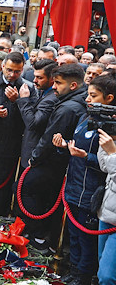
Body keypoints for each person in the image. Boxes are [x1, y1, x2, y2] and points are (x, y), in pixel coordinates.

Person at [54, 74, 115, 285]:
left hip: (92, 190)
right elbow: (78, 143)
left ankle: (83, 275)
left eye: (93, 95)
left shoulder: (110, 127)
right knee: (74, 233)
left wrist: (84, 156)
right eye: (87, 94)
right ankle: (73, 269)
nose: (87, 99)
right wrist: (65, 146)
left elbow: (108, 164)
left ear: (108, 98)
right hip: (74, 184)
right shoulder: (86, 116)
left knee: (87, 237)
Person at [24, 64, 88, 252]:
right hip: (63, 160)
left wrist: (34, 158)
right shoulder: (75, 100)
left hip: (54, 161)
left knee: (28, 188)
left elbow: (50, 137)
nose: (54, 87)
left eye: (59, 83)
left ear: (74, 85)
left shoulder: (67, 108)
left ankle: (38, 234)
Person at [0, 52, 36, 216]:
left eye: (17, 71)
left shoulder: (28, 88)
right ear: (2, 66)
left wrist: (18, 101)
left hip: (12, 144)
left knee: (4, 182)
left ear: (23, 70)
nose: (12, 75)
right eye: (9, 70)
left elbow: (32, 120)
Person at [96, 123, 116, 284]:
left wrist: (112, 153)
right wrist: (107, 143)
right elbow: (105, 166)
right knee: (102, 265)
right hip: (108, 212)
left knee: (107, 275)